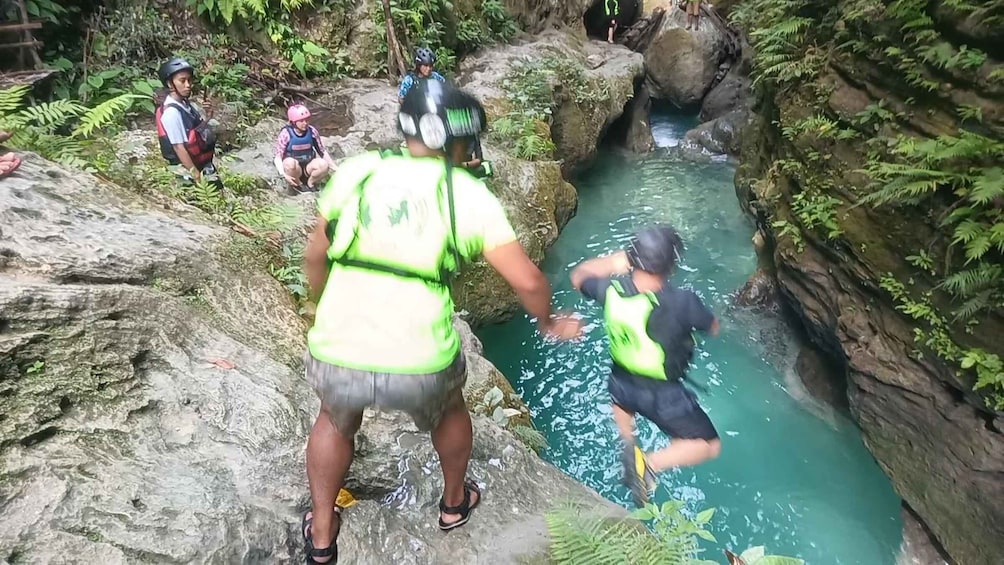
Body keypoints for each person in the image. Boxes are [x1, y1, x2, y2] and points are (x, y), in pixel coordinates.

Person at [299, 78, 582, 564]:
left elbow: (315, 257)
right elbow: (530, 281)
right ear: (457, 140)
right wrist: (549, 321)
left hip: (340, 347)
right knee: (450, 409)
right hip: (421, 362)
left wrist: (322, 305)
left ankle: (323, 534)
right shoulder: (467, 195)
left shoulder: (361, 172)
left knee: (333, 420)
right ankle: (453, 505)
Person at [570, 225, 722, 507]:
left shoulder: (609, 289)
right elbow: (712, 327)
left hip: (619, 385)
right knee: (709, 445)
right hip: (661, 395)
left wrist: (614, 262)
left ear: (632, 260)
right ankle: (649, 465)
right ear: (671, 267)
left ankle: (629, 444)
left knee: (624, 398)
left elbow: (579, 275)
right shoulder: (683, 302)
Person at [155, 57, 218, 185]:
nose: (188, 85)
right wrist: (196, 177)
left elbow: (195, 132)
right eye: (182, 81)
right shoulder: (171, 113)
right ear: (170, 84)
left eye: (189, 80)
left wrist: (209, 116)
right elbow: (178, 147)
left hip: (201, 163)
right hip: (188, 171)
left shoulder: (184, 104)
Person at [273, 104, 335, 192]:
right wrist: (283, 174)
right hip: (294, 169)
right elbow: (278, 157)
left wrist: (334, 167)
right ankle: (299, 185)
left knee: (323, 164)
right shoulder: (285, 134)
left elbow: (322, 151)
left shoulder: (312, 131)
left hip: (308, 168)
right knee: (289, 163)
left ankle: (311, 183)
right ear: (293, 122)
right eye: (301, 121)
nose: (305, 123)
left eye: (307, 120)